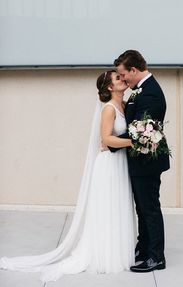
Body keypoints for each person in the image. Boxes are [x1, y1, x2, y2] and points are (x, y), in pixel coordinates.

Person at [0, 70, 136, 282]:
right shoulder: (108, 109)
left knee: (118, 206)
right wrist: (134, 141)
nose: (123, 79)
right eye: (118, 78)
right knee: (107, 207)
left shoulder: (125, 105)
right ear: (110, 87)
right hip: (109, 165)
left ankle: (117, 250)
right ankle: (103, 255)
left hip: (120, 164)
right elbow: (107, 139)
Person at [108, 50, 170, 272]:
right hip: (139, 162)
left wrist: (111, 142)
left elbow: (142, 133)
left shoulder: (150, 93)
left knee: (149, 209)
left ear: (134, 70)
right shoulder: (139, 90)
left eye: (124, 75)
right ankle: (143, 248)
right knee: (142, 209)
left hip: (147, 162)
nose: (123, 79)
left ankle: (156, 257)